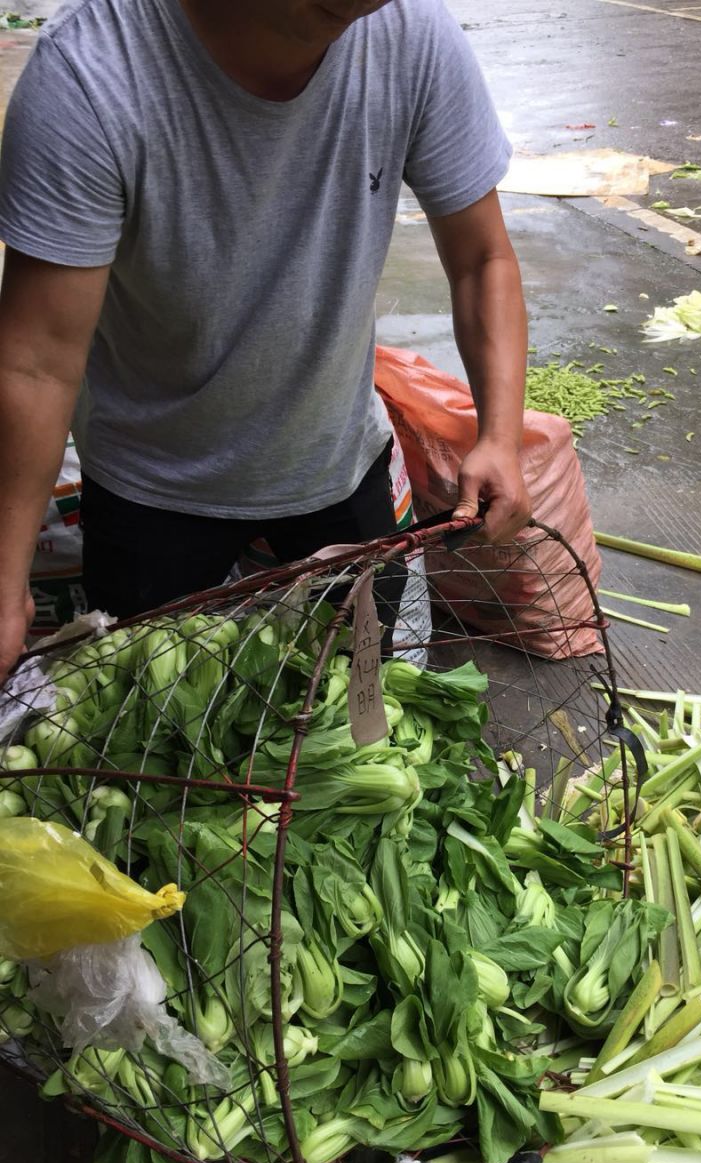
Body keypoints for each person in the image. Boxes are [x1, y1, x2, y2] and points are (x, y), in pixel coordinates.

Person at [0, 0, 532, 683]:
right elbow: (37, 359)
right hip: (152, 486)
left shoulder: (411, 34)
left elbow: (482, 259)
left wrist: (500, 436)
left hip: (336, 464)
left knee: (361, 717)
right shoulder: (92, 72)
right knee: (155, 739)